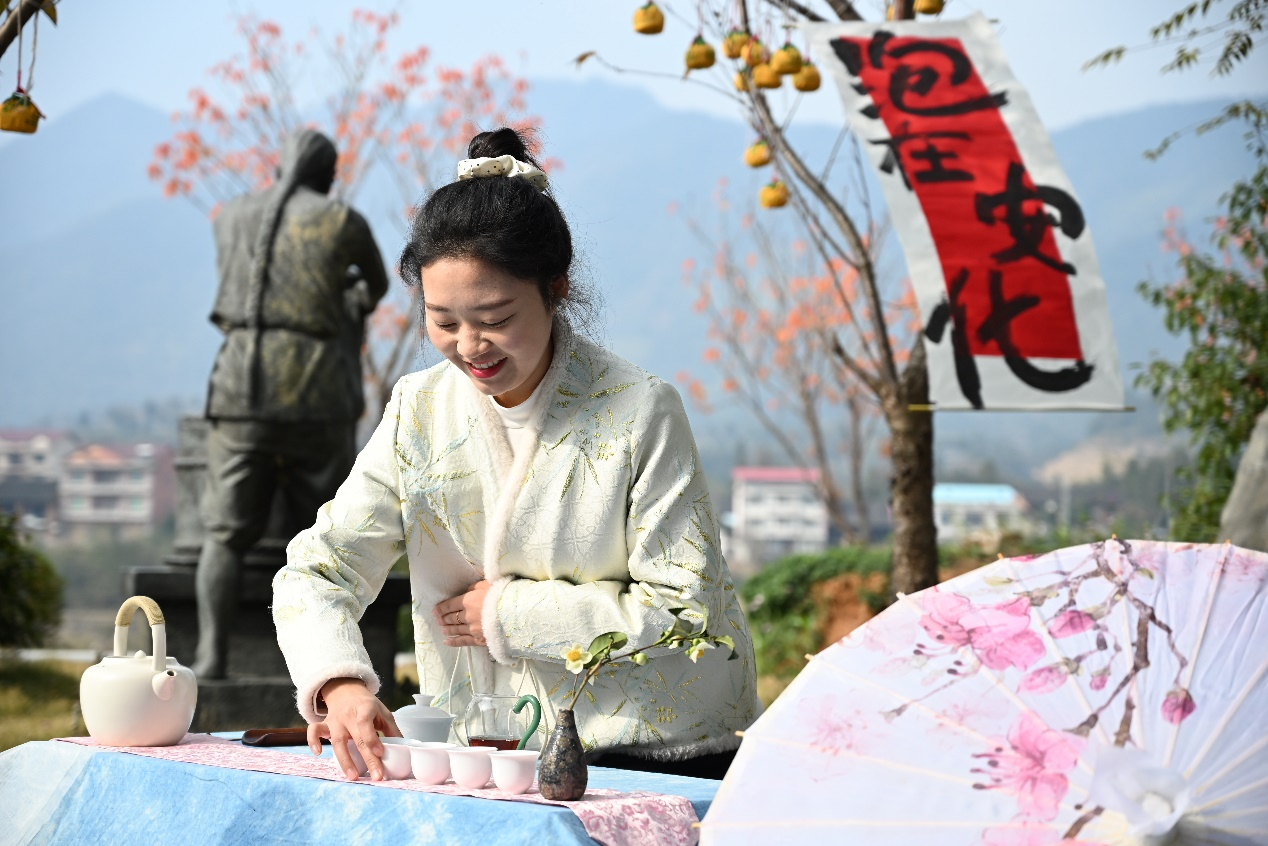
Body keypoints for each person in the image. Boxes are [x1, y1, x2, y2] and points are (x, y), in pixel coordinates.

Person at [273, 127, 760, 783]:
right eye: (443, 320)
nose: (470, 345)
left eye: (495, 316)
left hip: (653, 754)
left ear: (556, 288)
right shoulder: (420, 410)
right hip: (489, 758)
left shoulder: (641, 409)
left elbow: (684, 610)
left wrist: (503, 615)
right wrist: (340, 685)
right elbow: (317, 570)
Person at [194, 129, 388, 679]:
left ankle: (212, 654)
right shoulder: (340, 220)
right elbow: (373, 286)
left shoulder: (230, 214)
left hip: (240, 382)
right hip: (315, 386)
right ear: (327, 174)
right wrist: (346, 297)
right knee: (327, 531)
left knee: (224, 534)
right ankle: (327, 663)